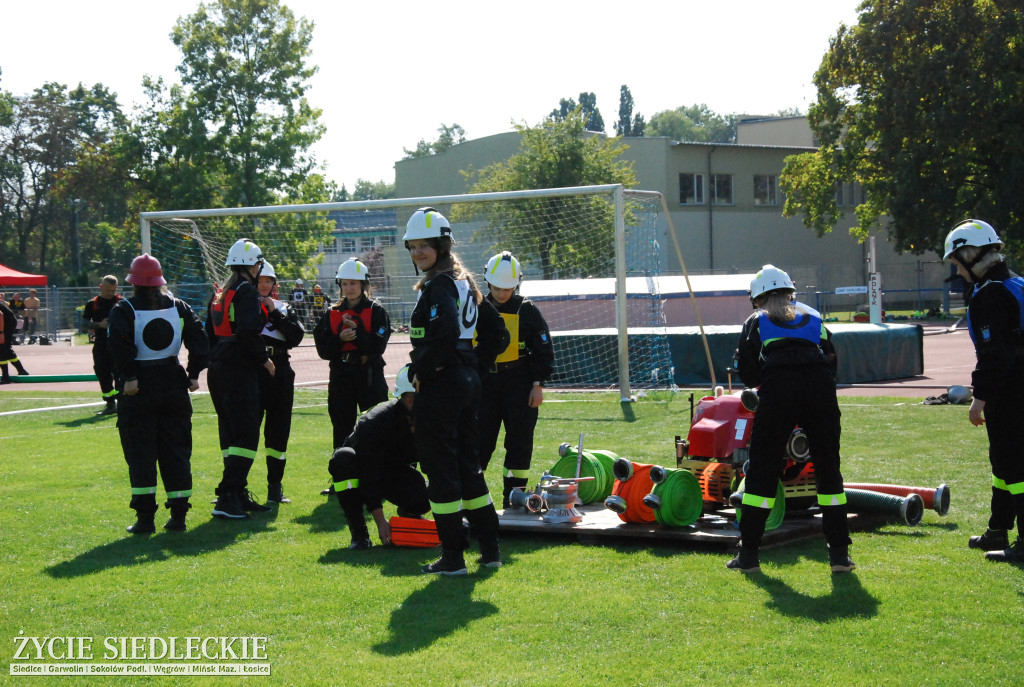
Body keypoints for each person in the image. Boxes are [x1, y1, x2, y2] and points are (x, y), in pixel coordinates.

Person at [404, 207, 508, 575]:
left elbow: (446, 332)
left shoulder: (440, 284)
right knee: (469, 466)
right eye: (412, 246)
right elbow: (497, 334)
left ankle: (452, 557)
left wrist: (425, 368)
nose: (418, 253)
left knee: (441, 469)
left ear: (442, 245)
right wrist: (472, 367)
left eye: (425, 246)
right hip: (464, 381)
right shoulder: (465, 282)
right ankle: (490, 549)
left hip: (445, 384)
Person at [729, 265, 853, 573]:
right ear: (790, 292)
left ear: (756, 298)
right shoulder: (814, 317)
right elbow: (831, 358)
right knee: (828, 471)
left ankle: (749, 556)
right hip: (821, 390)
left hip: (779, 391)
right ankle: (839, 556)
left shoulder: (755, 321)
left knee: (762, 472)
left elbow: (747, 371)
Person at [107, 254, 209, 533]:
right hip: (174, 383)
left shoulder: (124, 309)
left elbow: (118, 346)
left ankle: (144, 519)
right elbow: (200, 340)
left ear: (134, 282)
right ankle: (178, 516)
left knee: (140, 453)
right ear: (160, 281)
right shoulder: (179, 306)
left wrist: (129, 377)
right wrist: (192, 374)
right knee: (177, 452)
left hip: (139, 388)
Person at [943, 219, 1024, 563]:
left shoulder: (990, 294)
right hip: (1015, 387)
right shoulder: (1016, 283)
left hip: (1011, 392)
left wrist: (979, 397)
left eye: (958, 264)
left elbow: (996, 354)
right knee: (1002, 464)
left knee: (1015, 468)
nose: (959, 272)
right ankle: (998, 528)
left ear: (971, 254)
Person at [478, 251, 555, 508]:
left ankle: (515, 500)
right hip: (484, 386)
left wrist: (538, 385)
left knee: (519, 443)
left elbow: (544, 351)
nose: (502, 293)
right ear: (487, 282)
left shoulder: (527, 309)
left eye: (508, 288)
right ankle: (472, 501)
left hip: (519, 385)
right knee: (479, 443)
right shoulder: (476, 307)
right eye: (498, 288)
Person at [206, 238, 274, 519]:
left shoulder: (222, 291)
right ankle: (228, 496)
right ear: (254, 265)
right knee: (246, 434)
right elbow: (248, 332)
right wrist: (264, 359)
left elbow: (208, 329)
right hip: (238, 370)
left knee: (231, 433)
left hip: (219, 367)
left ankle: (237, 492)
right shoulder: (246, 291)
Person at [328, 365, 430, 549]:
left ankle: (410, 515)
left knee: (422, 498)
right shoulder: (377, 422)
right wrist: (381, 521)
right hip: (360, 470)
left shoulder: (433, 419)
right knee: (342, 459)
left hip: (394, 470)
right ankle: (359, 534)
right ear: (409, 400)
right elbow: (369, 473)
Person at [314, 257, 392, 452]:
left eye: (353, 283)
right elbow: (323, 350)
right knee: (341, 429)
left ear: (363, 284)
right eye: (345, 283)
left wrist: (355, 334)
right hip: (341, 375)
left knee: (375, 426)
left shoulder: (376, 311)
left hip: (369, 375)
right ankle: (342, 476)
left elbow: (377, 347)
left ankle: (375, 476)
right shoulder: (331, 313)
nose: (349, 288)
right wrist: (340, 338)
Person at [255, 261, 305, 504]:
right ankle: (235, 487)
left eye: (268, 281)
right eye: (259, 280)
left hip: (281, 370)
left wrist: (273, 311)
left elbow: (296, 336)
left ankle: (275, 486)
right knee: (245, 430)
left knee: (278, 431)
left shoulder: (284, 307)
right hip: (252, 371)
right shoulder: (241, 305)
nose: (263, 285)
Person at [83, 275, 123, 415]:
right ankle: (110, 403)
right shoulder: (92, 304)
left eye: (113, 290)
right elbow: (84, 325)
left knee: (120, 373)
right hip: (101, 345)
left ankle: (122, 402)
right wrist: (99, 325)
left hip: (119, 344)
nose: (110, 293)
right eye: (107, 290)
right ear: (101, 287)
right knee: (102, 372)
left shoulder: (121, 303)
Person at [1, 298, 30, 383]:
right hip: (7, 321)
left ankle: (5, 377)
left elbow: (0, 315)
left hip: (7, 322)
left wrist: (1, 333)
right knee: (7, 349)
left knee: (2, 349)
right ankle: (21, 371)